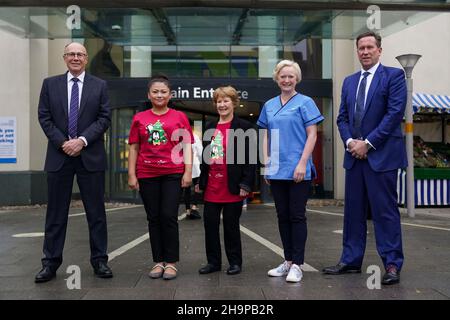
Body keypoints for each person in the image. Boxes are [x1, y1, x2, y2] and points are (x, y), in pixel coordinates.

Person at [322, 31, 407, 285]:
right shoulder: (348, 81)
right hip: (354, 157)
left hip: (381, 157)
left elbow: (393, 115)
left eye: (370, 47)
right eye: (361, 48)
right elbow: (342, 118)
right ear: (357, 51)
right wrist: (350, 142)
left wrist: (367, 144)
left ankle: (392, 264)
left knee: (385, 213)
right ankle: (350, 260)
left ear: (379, 50)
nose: (366, 51)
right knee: (353, 213)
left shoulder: (393, 76)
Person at [36, 42, 112, 283]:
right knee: (56, 214)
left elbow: (104, 117)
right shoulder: (50, 84)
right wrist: (63, 143)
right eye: (71, 54)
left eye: (80, 54)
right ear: (65, 57)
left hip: (90, 156)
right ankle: (50, 263)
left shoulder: (99, 85)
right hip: (59, 157)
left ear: (86, 59)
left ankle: (100, 260)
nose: (76, 57)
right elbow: (44, 116)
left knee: (96, 213)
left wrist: (81, 140)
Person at [257, 60, 324, 283]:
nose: (287, 80)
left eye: (291, 76)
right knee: (282, 216)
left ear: (297, 79)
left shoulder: (306, 103)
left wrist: (303, 163)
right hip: (277, 167)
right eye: (283, 76)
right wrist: (267, 163)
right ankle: (287, 261)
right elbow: (267, 134)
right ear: (277, 78)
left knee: (296, 216)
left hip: (298, 168)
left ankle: (298, 264)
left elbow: (312, 135)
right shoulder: (269, 105)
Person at [128, 74, 193, 280]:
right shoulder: (140, 118)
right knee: (153, 218)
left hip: (172, 174)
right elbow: (134, 147)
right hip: (147, 174)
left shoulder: (179, 116)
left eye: (163, 91)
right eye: (155, 91)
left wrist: (188, 171)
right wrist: (132, 174)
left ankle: (171, 262)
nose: (159, 95)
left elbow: (187, 146)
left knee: (168, 216)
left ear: (170, 94)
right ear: (149, 94)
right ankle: (158, 262)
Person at [197, 86, 256, 276]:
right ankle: (213, 262)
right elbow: (206, 157)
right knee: (210, 226)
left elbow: (250, 159)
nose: (222, 104)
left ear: (234, 103)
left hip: (232, 187)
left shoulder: (244, 127)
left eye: (225, 100)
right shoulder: (210, 127)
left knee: (231, 227)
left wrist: (246, 184)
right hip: (212, 186)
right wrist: (201, 180)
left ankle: (235, 262)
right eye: (219, 101)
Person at [182, 130, 202, 220]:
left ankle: (187, 210)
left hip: (184, 164)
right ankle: (194, 206)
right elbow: (200, 151)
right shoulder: (195, 136)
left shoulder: (180, 136)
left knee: (186, 188)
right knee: (197, 186)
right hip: (194, 164)